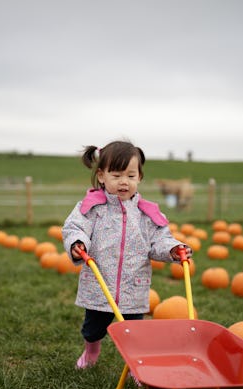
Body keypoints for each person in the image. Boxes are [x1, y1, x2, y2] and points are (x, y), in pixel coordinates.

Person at [62, 140, 192, 369]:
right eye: (117, 175)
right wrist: (77, 242)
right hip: (99, 284)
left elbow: (159, 239)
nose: (124, 182)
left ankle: (135, 364)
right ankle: (91, 351)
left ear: (139, 178)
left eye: (131, 176)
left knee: (135, 334)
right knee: (92, 329)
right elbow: (74, 228)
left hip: (134, 286)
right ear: (102, 176)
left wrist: (172, 249)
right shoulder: (91, 208)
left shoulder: (146, 213)